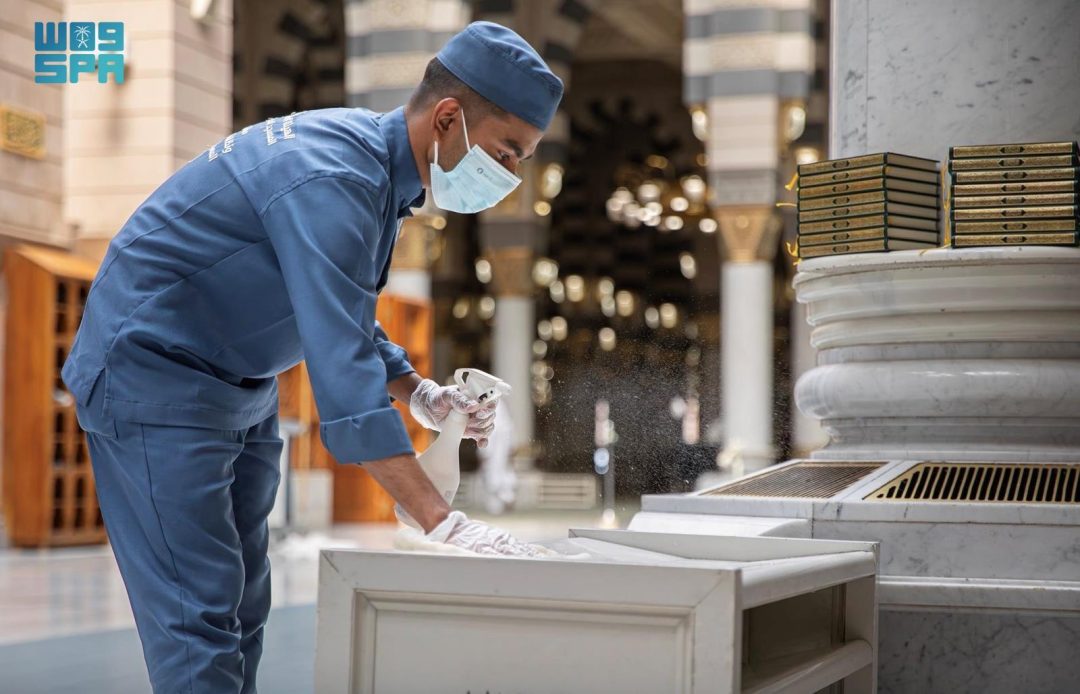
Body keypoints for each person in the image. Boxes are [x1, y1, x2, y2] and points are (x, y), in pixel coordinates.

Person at [61, 21, 563, 694]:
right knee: (198, 617)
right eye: (507, 153)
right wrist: (440, 520)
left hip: (237, 386)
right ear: (448, 118)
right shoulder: (332, 173)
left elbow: (341, 311)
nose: (509, 176)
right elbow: (341, 366)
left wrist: (419, 393)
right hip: (152, 378)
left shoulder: (378, 180)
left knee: (242, 607)